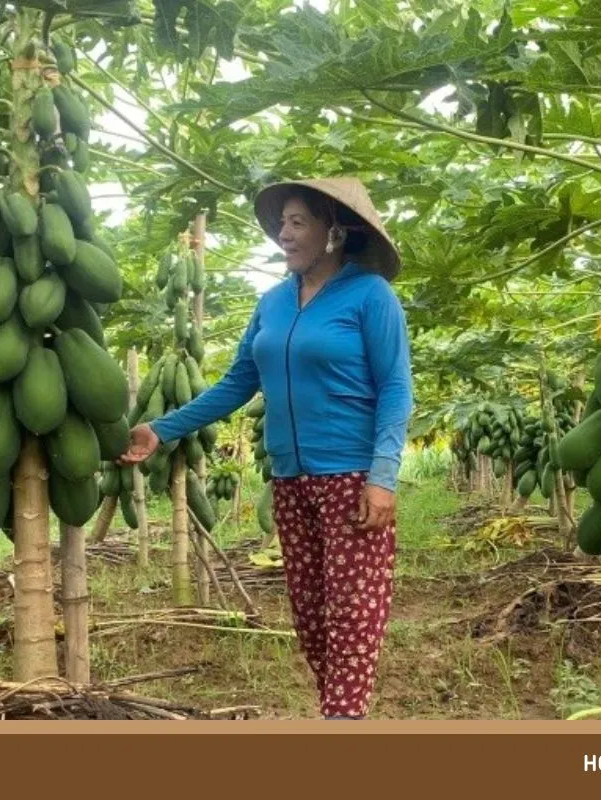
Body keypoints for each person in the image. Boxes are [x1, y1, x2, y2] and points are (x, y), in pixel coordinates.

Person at [121, 178, 414, 719]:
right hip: (290, 481)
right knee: (311, 617)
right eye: (282, 222)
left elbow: (396, 388)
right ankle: (342, 712)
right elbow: (238, 383)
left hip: (351, 479)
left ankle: (341, 723)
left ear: (335, 233)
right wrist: (162, 428)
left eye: (298, 221)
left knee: (352, 617)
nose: (284, 233)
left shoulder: (371, 296)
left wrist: (384, 474)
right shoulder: (273, 303)